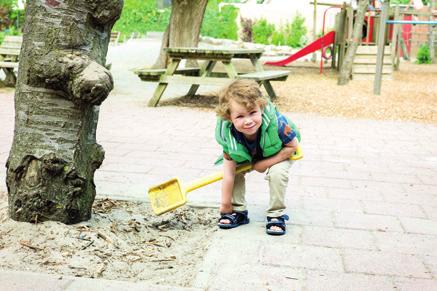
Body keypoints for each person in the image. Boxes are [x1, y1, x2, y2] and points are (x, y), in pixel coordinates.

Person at [214, 79, 301, 236]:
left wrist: (265, 164)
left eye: (253, 113)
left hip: (280, 152)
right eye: (240, 116)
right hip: (248, 154)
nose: (248, 121)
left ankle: (276, 215)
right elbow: (228, 173)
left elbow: (293, 146)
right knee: (236, 173)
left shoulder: (277, 123)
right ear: (229, 118)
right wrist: (225, 204)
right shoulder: (227, 135)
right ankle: (238, 212)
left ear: (261, 108)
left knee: (277, 173)